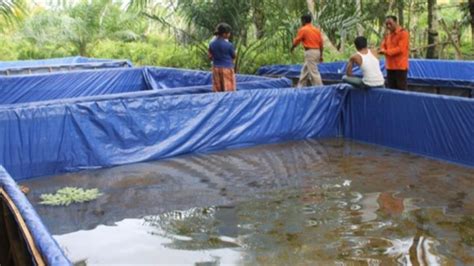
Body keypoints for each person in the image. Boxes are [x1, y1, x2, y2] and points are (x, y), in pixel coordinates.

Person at [290, 14, 324, 88]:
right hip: (317, 51)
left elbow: (297, 40)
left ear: (304, 21)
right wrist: (321, 55)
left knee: (313, 72)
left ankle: (320, 88)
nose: (301, 22)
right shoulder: (316, 30)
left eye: (301, 21)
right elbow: (321, 43)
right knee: (305, 69)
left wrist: (292, 47)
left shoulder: (303, 29)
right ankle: (300, 86)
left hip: (310, 52)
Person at [379, 15, 410, 90]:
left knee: (401, 89)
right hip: (390, 66)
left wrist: (386, 52)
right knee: (391, 88)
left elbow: (400, 49)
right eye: (386, 24)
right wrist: (382, 50)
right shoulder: (388, 35)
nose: (388, 26)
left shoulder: (403, 33)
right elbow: (383, 45)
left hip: (400, 67)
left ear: (396, 22)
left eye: (390, 23)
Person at [208, 23, 236, 92]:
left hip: (216, 69)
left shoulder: (212, 44)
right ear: (224, 34)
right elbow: (234, 56)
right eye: (228, 33)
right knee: (228, 90)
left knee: (217, 89)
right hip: (227, 69)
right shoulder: (229, 45)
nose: (229, 35)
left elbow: (210, 56)